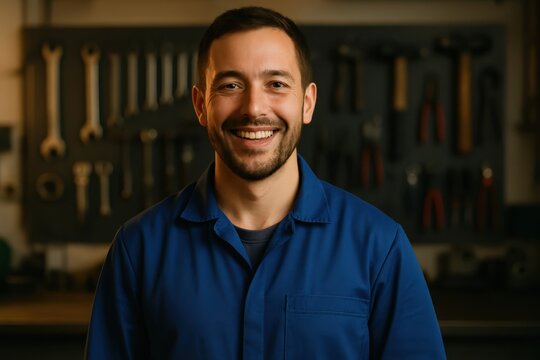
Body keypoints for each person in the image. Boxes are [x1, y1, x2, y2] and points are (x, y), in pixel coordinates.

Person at [85, 6, 446, 359]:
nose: (254, 107)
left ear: (307, 104)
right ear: (200, 106)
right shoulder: (139, 250)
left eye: (276, 84)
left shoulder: (379, 247)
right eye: (230, 85)